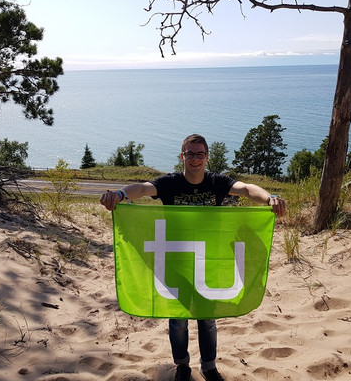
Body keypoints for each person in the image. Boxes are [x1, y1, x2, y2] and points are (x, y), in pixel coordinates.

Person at [100, 134, 286, 381]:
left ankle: (208, 366)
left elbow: (246, 189)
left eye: (200, 154)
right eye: (190, 154)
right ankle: (182, 366)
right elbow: (143, 188)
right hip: (174, 259)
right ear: (182, 156)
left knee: (207, 319)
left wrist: (269, 198)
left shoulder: (217, 182)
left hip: (208, 260)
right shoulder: (170, 183)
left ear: (207, 157)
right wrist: (120, 195)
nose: (195, 159)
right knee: (178, 319)